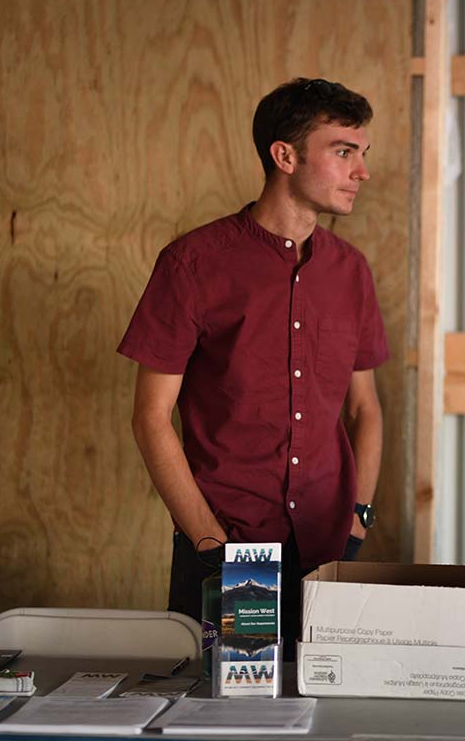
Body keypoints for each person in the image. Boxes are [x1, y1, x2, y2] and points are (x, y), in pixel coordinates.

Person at [118, 78, 388, 658]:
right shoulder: (193, 265)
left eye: (363, 153)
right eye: (344, 151)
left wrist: (358, 520)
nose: (361, 171)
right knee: (226, 715)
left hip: (329, 553)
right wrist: (210, 544)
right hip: (234, 555)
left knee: (324, 709)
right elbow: (150, 417)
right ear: (284, 156)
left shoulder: (352, 272)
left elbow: (365, 410)